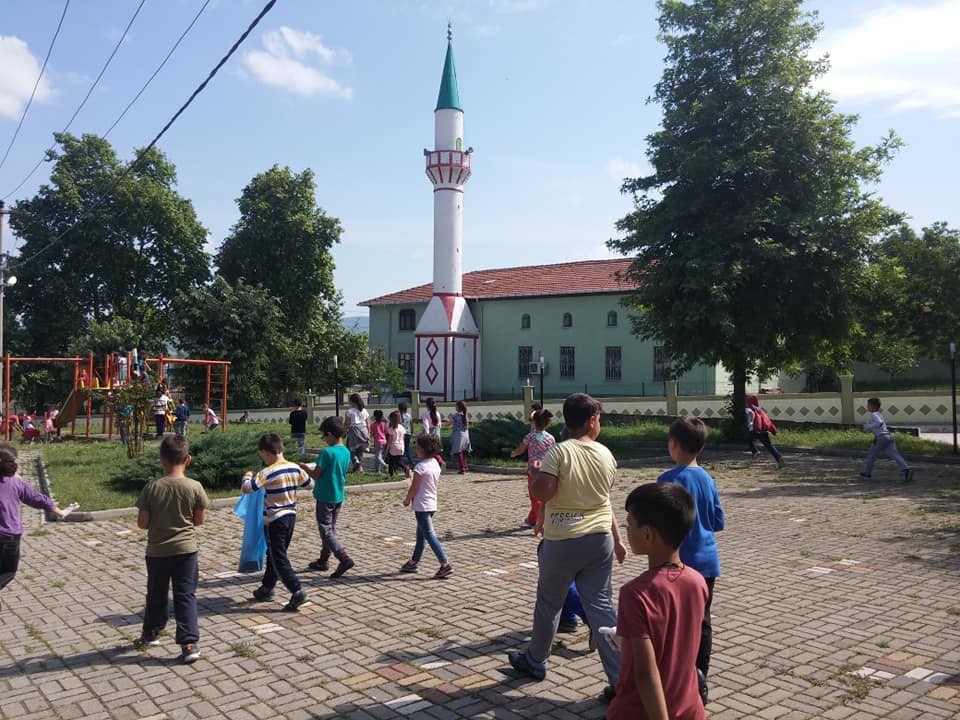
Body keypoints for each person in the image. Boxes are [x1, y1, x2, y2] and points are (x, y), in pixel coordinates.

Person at [507, 393, 625, 699]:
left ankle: (536, 661)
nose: (599, 423)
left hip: (563, 539)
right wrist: (618, 538)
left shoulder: (559, 453)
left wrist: (536, 474)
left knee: (549, 603)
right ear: (590, 421)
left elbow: (544, 492)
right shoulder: (606, 454)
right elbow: (604, 497)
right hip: (600, 539)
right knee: (600, 605)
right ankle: (622, 678)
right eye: (598, 418)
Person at [606, 483, 708, 720]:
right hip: (689, 708)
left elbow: (645, 674)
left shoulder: (635, 593)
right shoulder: (697, 582)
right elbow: (674, 639)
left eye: (629, 524)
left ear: (647, 533)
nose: (626, 529)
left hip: (640, 712)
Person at [657, 416, 725, 704]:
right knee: (702, 621)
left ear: (673, 445)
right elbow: (719, 521)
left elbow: (657, 525)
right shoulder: (708, 479)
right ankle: (700, 678)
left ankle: (671, 680)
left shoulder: (668, 480)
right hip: (708, 563)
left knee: (671, 623)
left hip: (677, 564)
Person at [134, 436, 209, 664]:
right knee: (185, 595)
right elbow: (198, 521)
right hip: (186, 551)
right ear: (188, 460)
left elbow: (142, 524)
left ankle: (151, 633)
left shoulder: (152, 487)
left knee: (156, 593)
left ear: (161, 461)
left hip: (157, 552)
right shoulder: (195, 487)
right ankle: (188, 643)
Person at [242, 433, 313, 611]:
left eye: (262, 456)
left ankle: (297, 591)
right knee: (273, 554)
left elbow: (247, 488)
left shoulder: (267, 472)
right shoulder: (294, 468)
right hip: (290, 517)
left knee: (279, 557)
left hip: (275, 520)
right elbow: (310, 484)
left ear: (266, 453)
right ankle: (267, 588)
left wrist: (247, 475)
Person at [0, 448, 69, 602]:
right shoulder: (16, 483)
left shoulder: (14, 482)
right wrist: (59, 512)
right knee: (8, 571)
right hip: (8, 536)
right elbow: (36, 498)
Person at [299, 417, 355, 579]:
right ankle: (324, 559)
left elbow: (316, 474)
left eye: (324, 436)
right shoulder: (345, 451)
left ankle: (343, 557)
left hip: (324, 495)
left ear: (330, 434)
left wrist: (304, 468)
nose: (324, 440)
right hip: (338, 494)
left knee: (325, 528)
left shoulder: (326, 452)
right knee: (331, 529)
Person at [400, 434, 453, 578]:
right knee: (420, 535)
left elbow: (414, 488)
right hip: (431, 504)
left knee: (428, 534)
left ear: (423, 449)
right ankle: (413, 561)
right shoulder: (435, 463)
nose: (415, 449)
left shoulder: (420, 467)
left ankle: (444, 564)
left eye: (417, 447)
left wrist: (406, 500)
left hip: (421, 505)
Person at [511, 408, 556, 527]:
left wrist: (514, 453)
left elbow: (521, 449)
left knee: (534, 496)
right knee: (541, 494)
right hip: (547, 469)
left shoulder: (530, 436)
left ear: (534, 423)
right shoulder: (551, 438)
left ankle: (542, 522)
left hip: (534, 470)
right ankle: (532, 519)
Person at [861, 398, 914, 482]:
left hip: (881, 437)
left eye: (868, 405)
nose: (867, 407)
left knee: (872, 454)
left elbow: (879, 423)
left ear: (872, 406)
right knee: (894, 455)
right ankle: (906, 469)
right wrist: (868, 428)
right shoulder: (879, 414)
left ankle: (867, 473)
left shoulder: (874, 414)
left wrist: (868, 427)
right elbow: (879, 425)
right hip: (888, 436)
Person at [745, 395, 784, 468]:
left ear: (750, 403)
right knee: (769, 445)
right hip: (763, 430)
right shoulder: (760, 410)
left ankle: (755, 451)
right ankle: (779, 458)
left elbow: (752, 415)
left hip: (756, 430)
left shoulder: (749, 409)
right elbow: (767, 420)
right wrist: (773, 430)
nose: (746, 404)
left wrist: (751, 422)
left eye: (747, 402)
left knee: (748, 439)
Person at [345, 394, 370, 472]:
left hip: (354, 431)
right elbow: (368, 423)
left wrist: (343, 431)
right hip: (363, 430)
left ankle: (356, 461)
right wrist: (368, 433)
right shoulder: (364, 411)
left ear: (352, 401)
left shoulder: (349, 411)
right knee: (360, 450)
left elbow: (347, 423)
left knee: (351, 449)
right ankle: (359, 468)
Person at [449, 401, 472, 474]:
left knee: (457, 452)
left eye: (456, 406)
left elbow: (449, 423)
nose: (455, 407)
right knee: (464, 451)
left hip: (459, 435)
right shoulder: (465, 415)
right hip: (466, 434)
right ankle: (465, 466)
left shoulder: (456, 415)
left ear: (458, 407)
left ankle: (462, 468)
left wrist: (440, 424)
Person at [386, 411, 409, 478]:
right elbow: (403, 438)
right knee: (398, 461)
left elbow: (390, 442)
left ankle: (391, 475)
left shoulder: (391, 430)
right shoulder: (402, 427)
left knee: (391, 461)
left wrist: (387, 451)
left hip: (394, 447)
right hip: (401, 446)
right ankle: (404, 468)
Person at [370, 409, 389, 473]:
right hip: (384, 441)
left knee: (378, 456)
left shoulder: (373, 425)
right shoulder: (384, 424)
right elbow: (386, 432)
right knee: (379, 455)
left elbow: (371, 434)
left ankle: (384, 465)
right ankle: (378, 469)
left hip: (378, 442)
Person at [398, 402, 414, 467]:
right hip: (408, 433)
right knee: (407, 449)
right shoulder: (409, 415)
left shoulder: (399, 416)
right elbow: (411, 424)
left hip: (401, 434)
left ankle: (400, 463)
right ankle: (412, 461)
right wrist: (412, 432)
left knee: (400, 449)